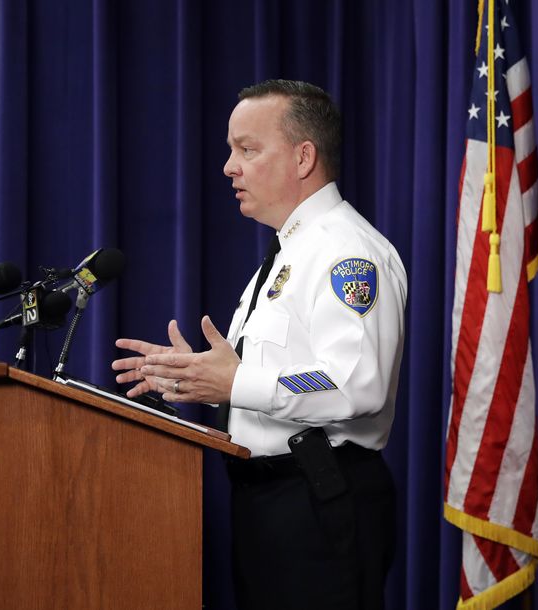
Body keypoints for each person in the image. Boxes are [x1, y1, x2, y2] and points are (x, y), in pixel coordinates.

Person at [112, 79, 407, 610]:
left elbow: (355, 384)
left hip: (318, 504)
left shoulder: (347, 254)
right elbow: (279, 379)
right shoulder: (286, 256)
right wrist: (201, 380)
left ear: (303, 157)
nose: (230, 166)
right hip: (268, 501)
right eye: (232, 151)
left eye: (247, 150)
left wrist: (236, 380)